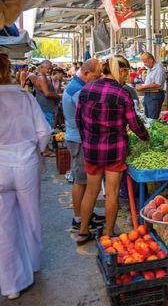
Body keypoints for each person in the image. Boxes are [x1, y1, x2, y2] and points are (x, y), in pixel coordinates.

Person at [75, 55, 149, 244]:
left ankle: (83, 232)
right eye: (126, 73)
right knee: (112, 193)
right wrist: (146, 137)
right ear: (121, 71)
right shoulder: (122, 93)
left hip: (92, 150)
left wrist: (87, 141)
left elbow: (78, 120)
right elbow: (134, 123)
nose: (126, 78)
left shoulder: (86, 89)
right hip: (114, 151)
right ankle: (109, 234)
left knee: (91, 191)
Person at [0, 53, 52, 300]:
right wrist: (37, 150)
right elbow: (44, 131)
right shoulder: (23, 96)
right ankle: (32, 265)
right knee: (31, 216)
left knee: (3, 225)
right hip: (25, 162)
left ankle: (10, 284)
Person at [62, 59, 103, 233]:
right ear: (86, 73)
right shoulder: (78, 91)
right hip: (78, 139)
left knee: (84, 180)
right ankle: (79, 220)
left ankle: (86, 214)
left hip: (76, 137)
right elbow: (90, 116)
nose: (98, 79)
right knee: (79, 181)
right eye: (96, 75)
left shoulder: (76, 86)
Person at [137, 52, 166, 119]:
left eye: (145, 62)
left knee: (152, 119)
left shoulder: (159, 68)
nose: (144, 64)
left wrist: (143, 86)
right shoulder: (150, 68)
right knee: (148, 118)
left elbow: (158, 84)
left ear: (151, 59)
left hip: (155, 95)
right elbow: (150, 82)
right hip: (149, 95)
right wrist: (143, 86)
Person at [33, 60, 61, 129]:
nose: (49, 70)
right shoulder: (42, 77)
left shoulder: (43, 76)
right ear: (42, 67)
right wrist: (60, 96)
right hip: (47, 110)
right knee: (49, 131)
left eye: (50, 68)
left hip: (47, 109)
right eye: (48, 68)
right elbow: (47, 94)